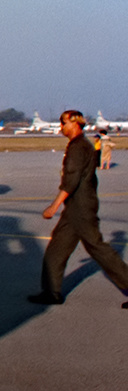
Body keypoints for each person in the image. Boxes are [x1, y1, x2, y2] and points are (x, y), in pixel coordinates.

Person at [31, 110, 128, 307]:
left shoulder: (78, 148)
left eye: (64, 123)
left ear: (75, 124)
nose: (61, 127)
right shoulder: (82, 145)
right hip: (78, 207)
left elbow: (71, 181)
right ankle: (51, 292)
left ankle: (52, 292)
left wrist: (53, 207)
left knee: (98, 249)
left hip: (80, 208)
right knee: (57, 249)